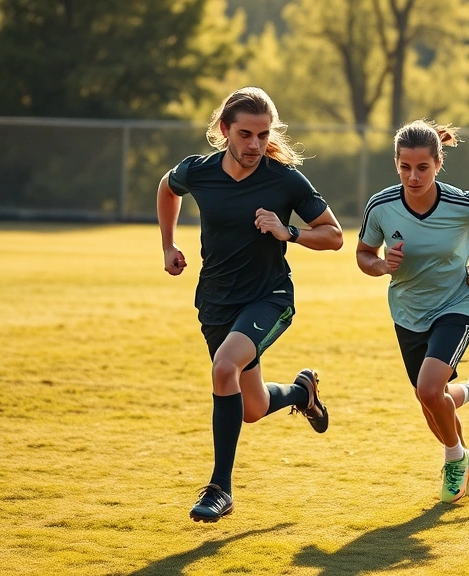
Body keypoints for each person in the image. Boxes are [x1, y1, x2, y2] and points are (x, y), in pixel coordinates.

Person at [157, 87, 344, 523]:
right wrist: (168, 244)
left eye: (263, 135)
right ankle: (302, 392)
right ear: (225, 130)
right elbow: (167, 189)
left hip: (269, 298)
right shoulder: (198, 171)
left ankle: (220, 489)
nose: (255, 144)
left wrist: (289, 232)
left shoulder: (285, 180)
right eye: (245, 134)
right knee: (253, 408)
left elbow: (334, 235)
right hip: (216, 301)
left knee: (225, 367)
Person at [356, 119, 469, 504]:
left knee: (429, 389)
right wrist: (380, 265)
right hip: (407, 311)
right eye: (405, 167)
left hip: (456, 305)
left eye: (422, 167)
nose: (413, 177)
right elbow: (363, 253)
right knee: (431, 399)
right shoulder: (381, 206)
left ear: (438, 163)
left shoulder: (461, 203)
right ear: (396, 164)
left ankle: (455, 460)